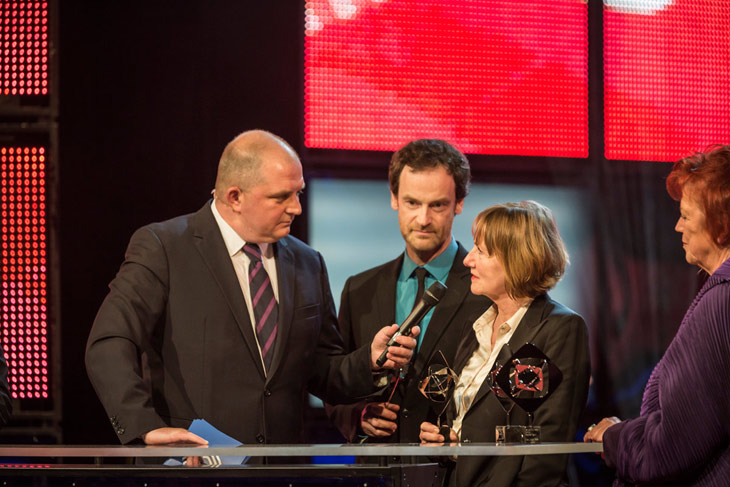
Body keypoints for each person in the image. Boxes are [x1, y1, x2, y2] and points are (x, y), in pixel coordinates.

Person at [85, 130, 417, 447]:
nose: (296, 207)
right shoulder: (165, 247)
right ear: (235, 197)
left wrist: (369, 361)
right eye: (280, 197)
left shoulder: (307, 262)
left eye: (298, 193)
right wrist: (144, 426)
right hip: (191, 467)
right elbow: (110, 341)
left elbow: (321, 368)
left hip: (279, 472)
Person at [325, 139, 490, 444]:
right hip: (378, 472)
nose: (423, 219)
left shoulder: (486, 289)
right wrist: (358, 416)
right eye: (412, 203)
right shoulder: (359, 289)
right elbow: (333, 381)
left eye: (437, 205)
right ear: (394, 198)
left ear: (459, 203)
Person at [584, 145, 730, 486]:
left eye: (686, 215)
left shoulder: (721, 301)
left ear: (721, 224)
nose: (678, 226)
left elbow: (671, 449)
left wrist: (617, 437)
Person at [420, 201, 591, 487]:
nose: (467, 259)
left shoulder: (559, 328)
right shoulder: (475, 325)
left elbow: (546, 447)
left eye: (481, 251)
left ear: (517, 260)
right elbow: (480, 423)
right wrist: (448, 439)